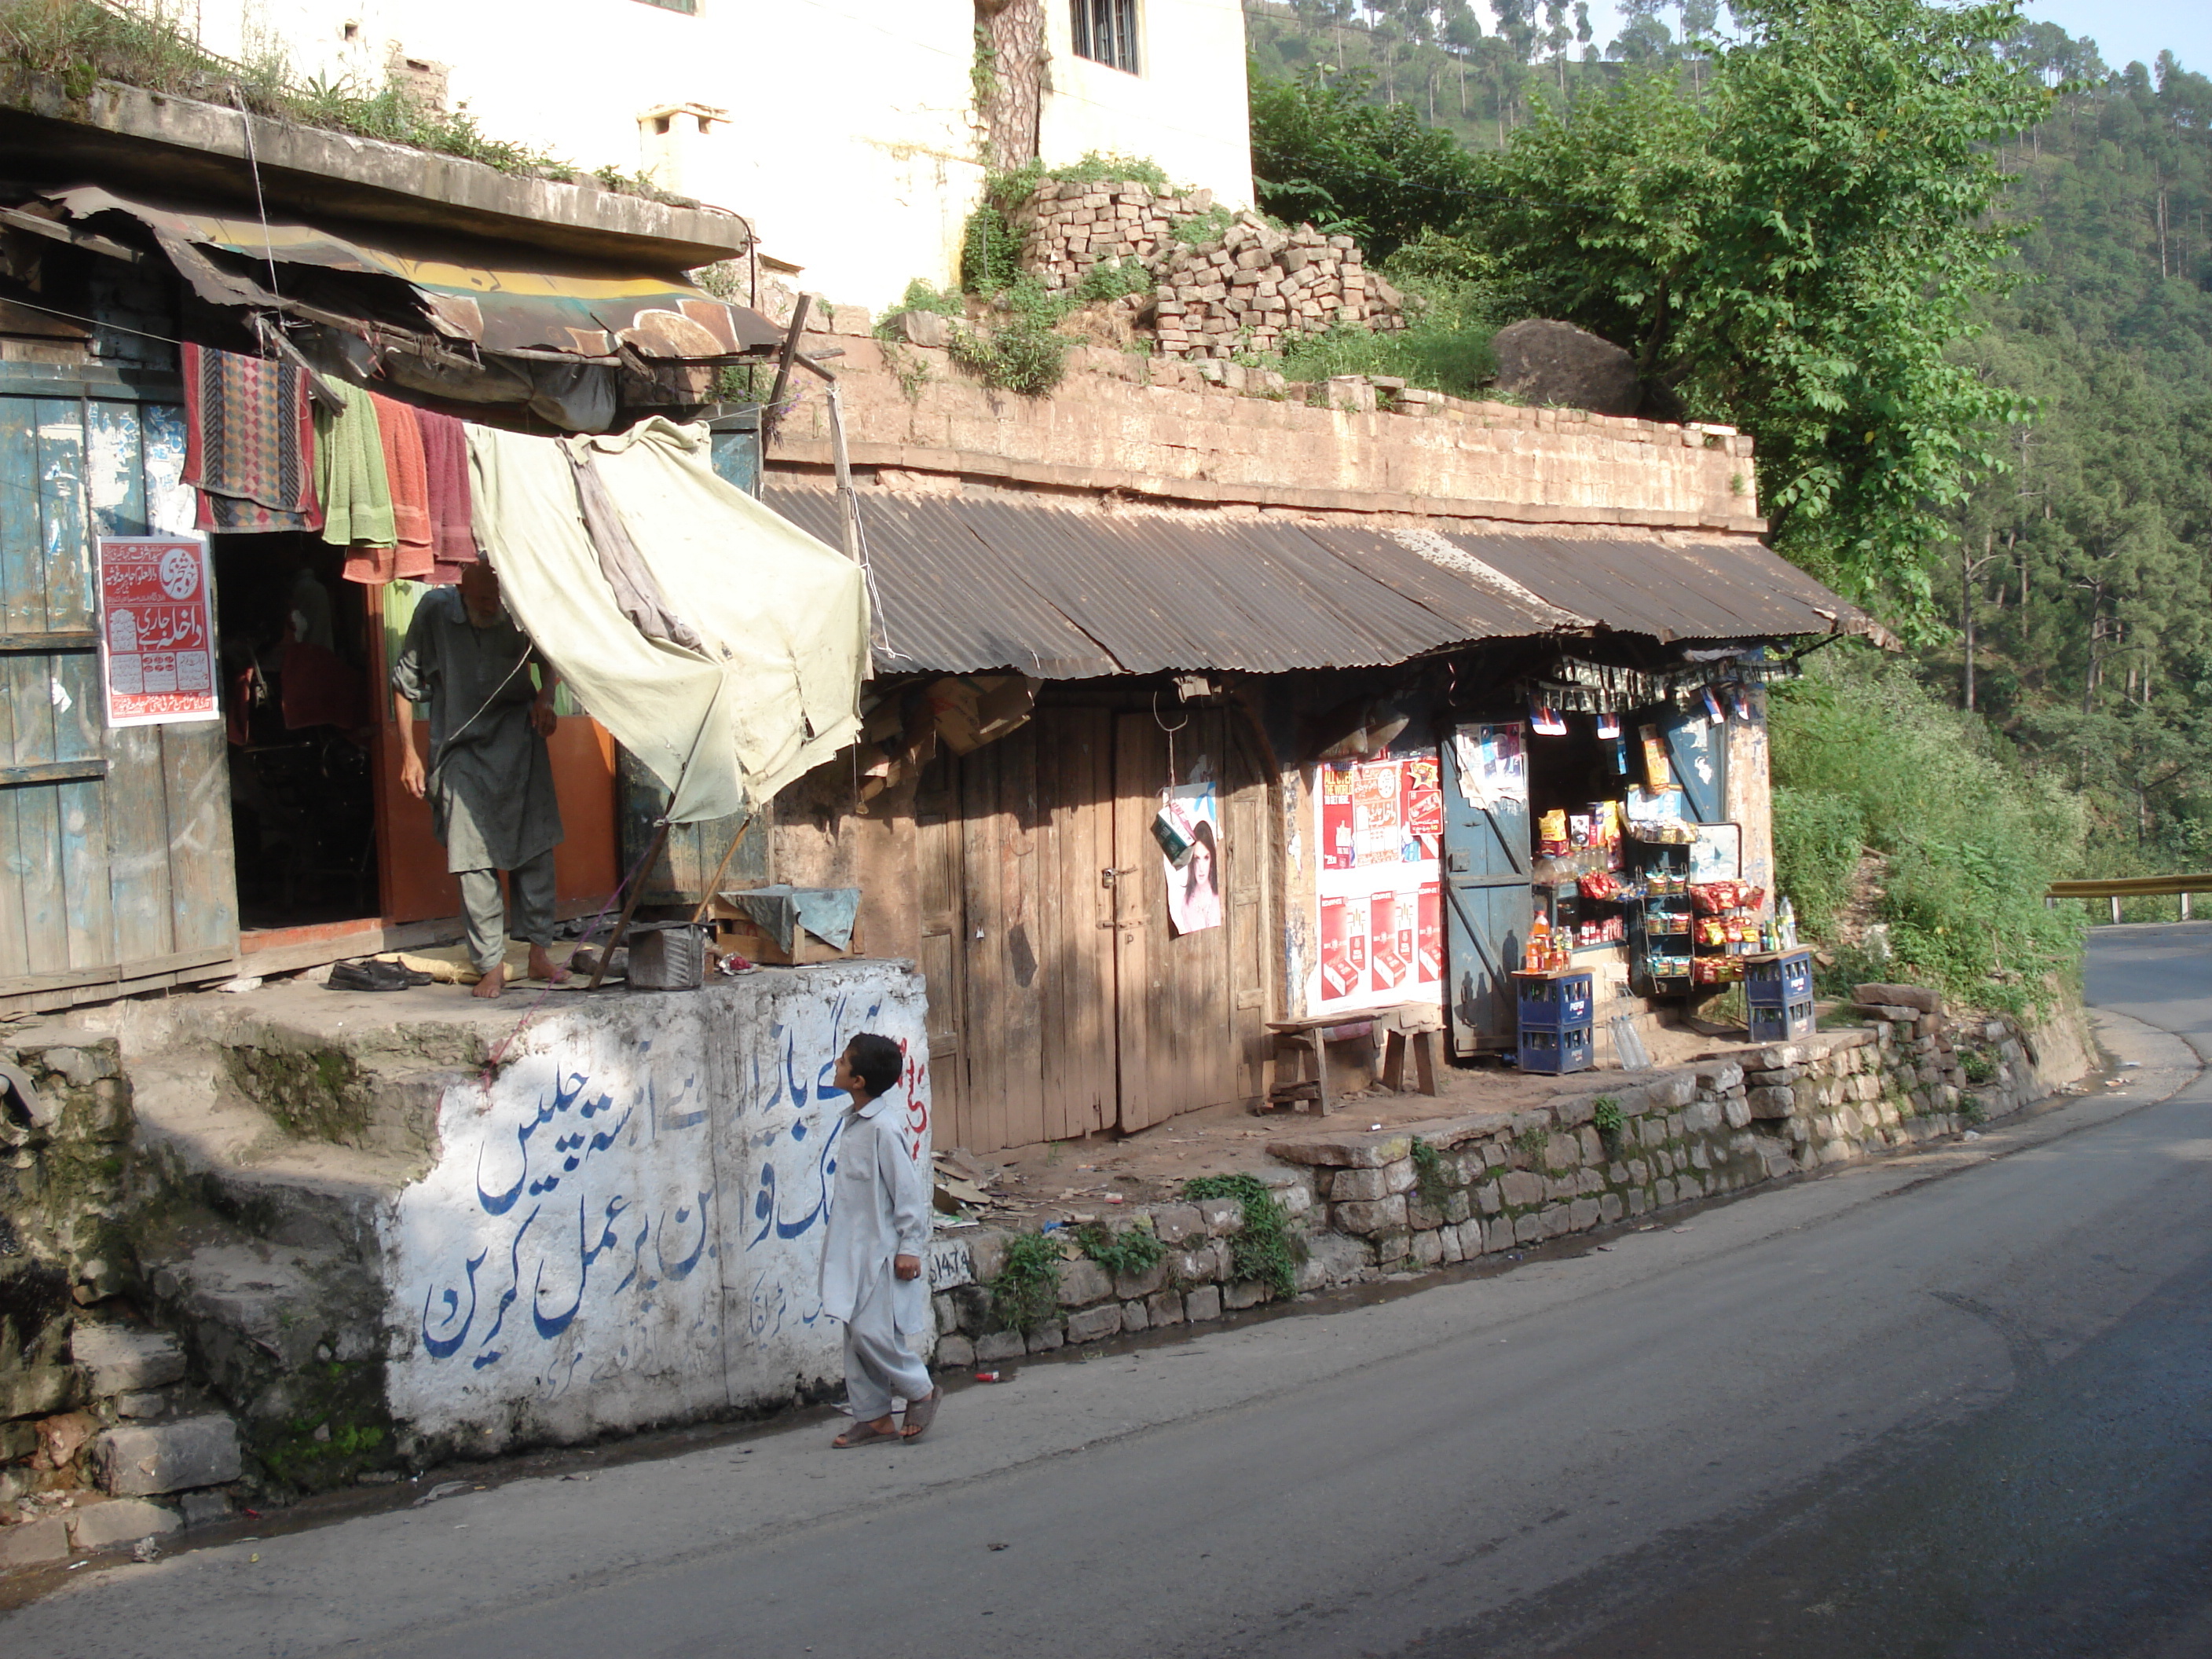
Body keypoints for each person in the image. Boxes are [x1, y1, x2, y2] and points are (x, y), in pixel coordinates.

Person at [390, 562, 566, 998]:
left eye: (496, 599)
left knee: (536, 848)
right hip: (459, 748)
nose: (492, 607)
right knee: (471, 859)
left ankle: (539, 952)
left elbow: (552, 660)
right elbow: (403, 683)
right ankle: (490, 963)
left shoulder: (519, 608)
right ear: (461, 591)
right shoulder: (434, 611)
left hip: (519, 740)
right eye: (483, 600)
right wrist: (409, 754)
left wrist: (546, 698)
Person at [819, 1033, 939, 1448]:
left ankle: (920, 1389)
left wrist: (910, 1247)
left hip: (882, 1254)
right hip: (853, 1250)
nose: (837, 1063)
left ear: (858, 1080)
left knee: (874, 1334)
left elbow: (908, 1194)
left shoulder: (885, 1129)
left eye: (844, 1061)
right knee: (855, 1337)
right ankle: (873, 1418)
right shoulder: (855, 1124)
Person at [1177, 819, 1224, 932]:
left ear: (1212, 859)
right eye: (1197, 859)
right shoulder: (1186, 904)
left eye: (1206, 858)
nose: (1201, 868)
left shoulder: (1220, 895)